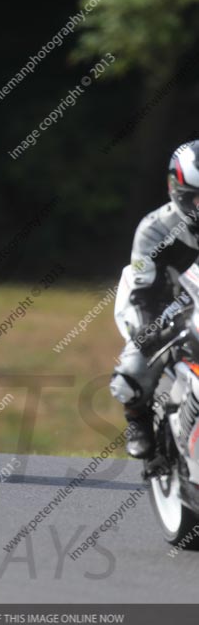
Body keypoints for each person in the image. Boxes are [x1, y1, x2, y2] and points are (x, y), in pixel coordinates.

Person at [110, 141, 199, 458]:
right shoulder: (155, 229)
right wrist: (152, 325)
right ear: (179, 191)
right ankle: (138, 417)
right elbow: (143, 287)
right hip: (160, 303)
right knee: (131, 374)